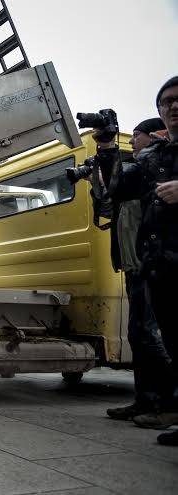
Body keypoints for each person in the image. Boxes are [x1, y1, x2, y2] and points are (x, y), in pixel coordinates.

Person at [98, 77, 178, 445]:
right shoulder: (153, 159)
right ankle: (153, 401)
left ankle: (164, 403)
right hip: (158, 264)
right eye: (166, 102)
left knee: (150, 335)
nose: (173, 107)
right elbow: (116, 189)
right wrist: (108, 147)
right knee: (158, 338)